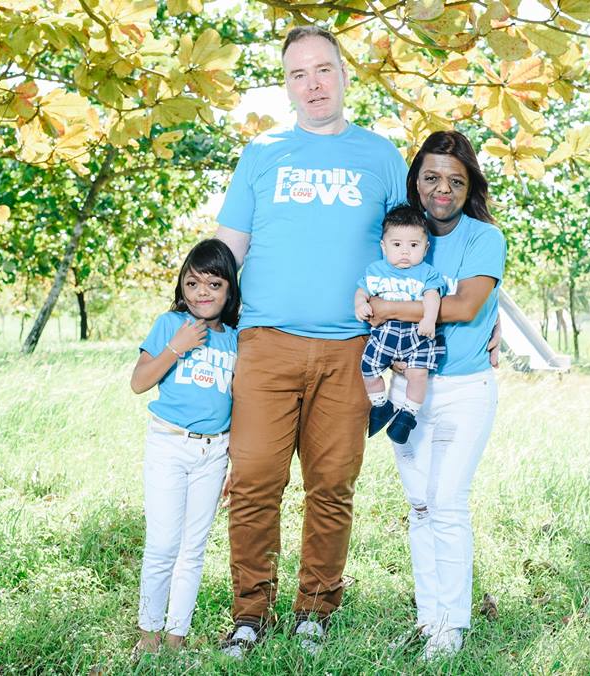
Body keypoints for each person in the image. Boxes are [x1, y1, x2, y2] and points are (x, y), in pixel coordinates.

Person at [215, 25, 407, 656]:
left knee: (331, 485)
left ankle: (315, 611)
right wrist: (194, 323)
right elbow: (229, 250)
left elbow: (409, 250)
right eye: (298, 74)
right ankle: (250, 613)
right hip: (266, 344)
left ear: (345, 74)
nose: (313, 84)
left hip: (351, 348)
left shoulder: (380, 156)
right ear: (287, 85)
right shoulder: (261, 152)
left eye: (323, 69)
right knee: (254, 480)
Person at [367, 130, 506, 660]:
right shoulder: (400, 238)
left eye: (454, 179)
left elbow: (467, 306)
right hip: (406, 387)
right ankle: (431, 621)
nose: (441, 188)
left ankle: (453, 628)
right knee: (420, 504)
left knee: (447, 502)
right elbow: (366, 293)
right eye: (431, 177)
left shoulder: (483, 238)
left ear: (468, 186)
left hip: (464, 389)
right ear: (416, 182)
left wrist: (388, 312)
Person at [129, 239, 240, 657]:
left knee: (193, 549)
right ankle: (149, 635)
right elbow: (139, 383)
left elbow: (239, 402)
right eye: (193, 283)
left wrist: (235, 460)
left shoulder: (235, 339)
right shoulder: (169, 324)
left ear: (229, 290)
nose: (202, 293)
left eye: (214, 284)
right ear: (182, 285)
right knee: (162, 545)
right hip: (169, 445)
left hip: (214, 451)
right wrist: (178, 346)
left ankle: (176, 637)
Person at [355, 204, 445, 443]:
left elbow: (432, 296)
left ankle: (408, 415)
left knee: (418, 374)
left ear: (425, 248)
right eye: (397, 245)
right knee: (368, 369)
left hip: (416, 333)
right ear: (384, 247)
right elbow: (362, 291)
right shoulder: (376, 270)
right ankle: (380, 405)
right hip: (384, 332)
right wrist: (360, 305)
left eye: (413, 245)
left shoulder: (426, 273)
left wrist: (429, 318)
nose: (405, 252)